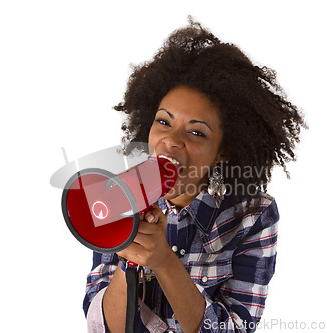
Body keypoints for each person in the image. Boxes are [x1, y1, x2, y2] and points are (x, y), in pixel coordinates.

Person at [83, 18, 306, 333]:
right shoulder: (121, 192)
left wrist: (162, 260)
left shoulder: (254, 215)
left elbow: (237, 328)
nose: (173, 140)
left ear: (223, 150)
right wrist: (129, 259)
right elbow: (103, 326)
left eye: (197, 132)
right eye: (164, 122)